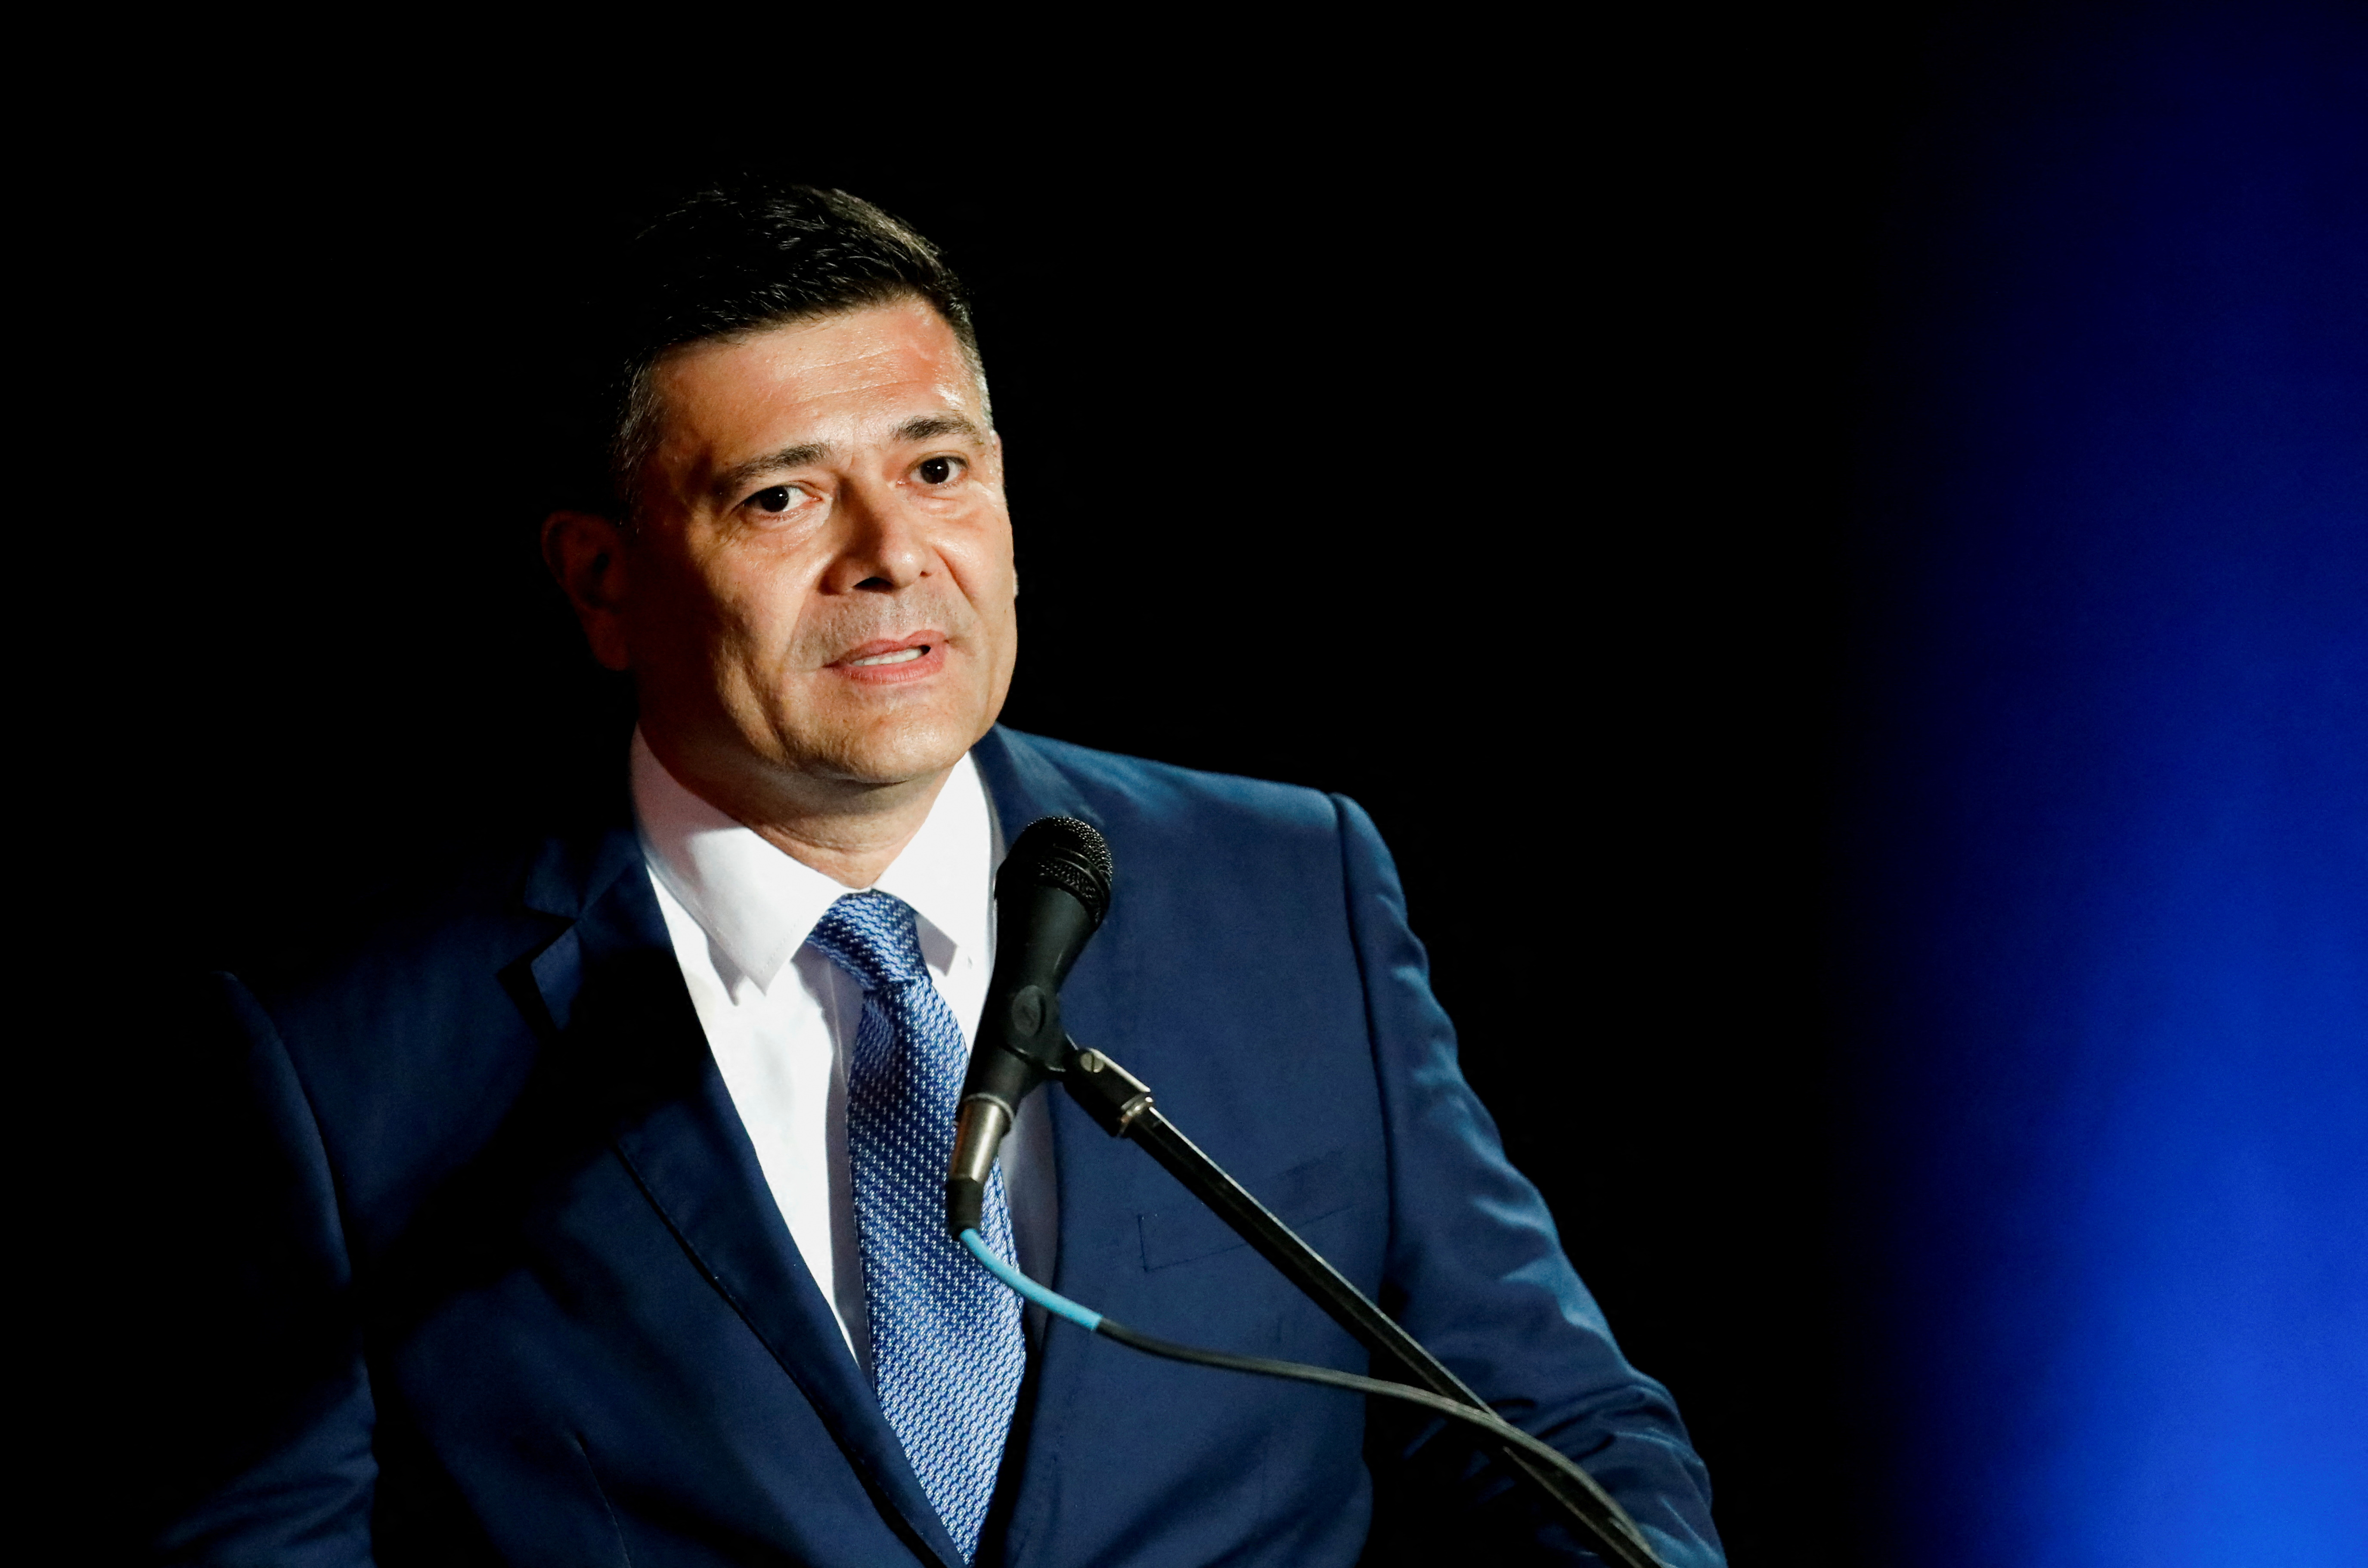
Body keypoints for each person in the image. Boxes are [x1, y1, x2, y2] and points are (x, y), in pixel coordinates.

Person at [144, 185, 1723, 1566]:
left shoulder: (1287, 885)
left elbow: (1544, 1427)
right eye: (782, 496)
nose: (891, 552)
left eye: (940, 471)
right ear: (604, 578)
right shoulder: (338, 1054)